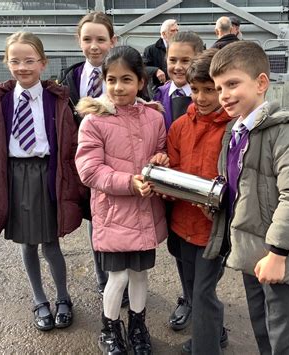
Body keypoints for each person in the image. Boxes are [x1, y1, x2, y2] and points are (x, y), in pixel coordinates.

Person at [208, 40, 289, 354]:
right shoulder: (236, 132)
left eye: (233, 84)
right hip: (252, 252)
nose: (224, 96)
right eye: (219, 88)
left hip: (280, 257)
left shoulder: (288, 134)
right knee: (262, 329)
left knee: (283, 339)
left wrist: (278, 253)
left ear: (262, 83)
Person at [0, 31, 84, 331]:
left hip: (48, 174)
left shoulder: (57, 100)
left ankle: (63, 298)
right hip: (14, 176)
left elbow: (73, 144)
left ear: (43, 63)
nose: (22, 67)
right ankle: (39, 300)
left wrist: (73, 183)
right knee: (27, 244)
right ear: (6, 63)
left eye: (29, 60)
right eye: (15, 61)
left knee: (51, 244)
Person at [75, 45, 168, 355]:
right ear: (103, 81)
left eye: (126, 79)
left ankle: (138, 325)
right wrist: (128, 183)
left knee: (140, 274)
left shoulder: (154, 117)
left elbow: (162, 150)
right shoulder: (93, 120)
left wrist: (160, 158)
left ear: (140, 82)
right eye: (111, 80)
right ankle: (110, 327)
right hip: (113, 213)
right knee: (116, 277)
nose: (118, 87)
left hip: (145, 211)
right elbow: (89, 171)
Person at [57, 12, 130, 306]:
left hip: (119, 163)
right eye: (87, 39)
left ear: (113, 41)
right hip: (85, 164)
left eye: (101, 39)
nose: (94, 46)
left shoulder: (123, 75)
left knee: (121, 220)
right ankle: (105, 280)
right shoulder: (71, 77)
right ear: (79, 41)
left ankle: (123, 276)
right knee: (95, 220)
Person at [166, 48, 232, 354]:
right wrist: (163, 169)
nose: (202, 98)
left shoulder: (233, 131)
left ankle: (206, 348)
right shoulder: (179, 126)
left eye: (210, 90)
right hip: (182, 225)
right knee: (194, 290)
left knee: (204, 293)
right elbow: (174, 167)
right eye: (195, 90)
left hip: (212, 230)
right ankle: (213, 333)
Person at [153, 30, 204, 332]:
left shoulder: (209, 98)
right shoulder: (156, 96)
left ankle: (205, 308)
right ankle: (187, 298)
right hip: (171, 190)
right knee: (178, 249)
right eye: (173, 59)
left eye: (187, 60)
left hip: (200, 189)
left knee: (203, 259)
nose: (179, 66)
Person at [143, 19, 179, 87]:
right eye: (173, 31)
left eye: (177, 30)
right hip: (158, 89)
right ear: (163, 34)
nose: (176, 33)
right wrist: (155, 70)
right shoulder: (150, 50)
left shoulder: (181, 49)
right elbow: (142, 68)